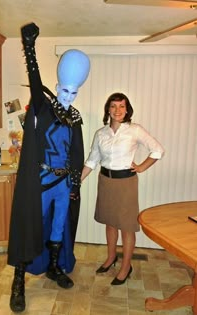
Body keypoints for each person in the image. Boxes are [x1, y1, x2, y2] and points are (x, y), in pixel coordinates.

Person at [7, 23, 90, 313]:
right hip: (40, 181)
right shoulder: (43, 107)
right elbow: (34, 77)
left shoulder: (75, 118)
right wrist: (29, 48)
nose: (69, 97)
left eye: (74, 93)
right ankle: (18, 282)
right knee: (30, 227)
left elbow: (77, 154)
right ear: (57, 88)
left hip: (64, 183)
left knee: (58, 227)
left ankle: (54, 267)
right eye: (65, 91)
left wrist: (76, 186)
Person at [81, 92, 164, 285]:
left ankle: (126, 266)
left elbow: (158, 150)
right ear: (108, 109)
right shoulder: (101, 133)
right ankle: (111, 258)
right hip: (106, 181)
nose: (117, 110)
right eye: (113, 106)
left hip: (126, 183)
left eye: (121, 106)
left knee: (127, 227)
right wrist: (78, 181)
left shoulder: (134, 130)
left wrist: (142, 167)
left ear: (127, 110)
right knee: (110, 222)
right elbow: (92, 161)